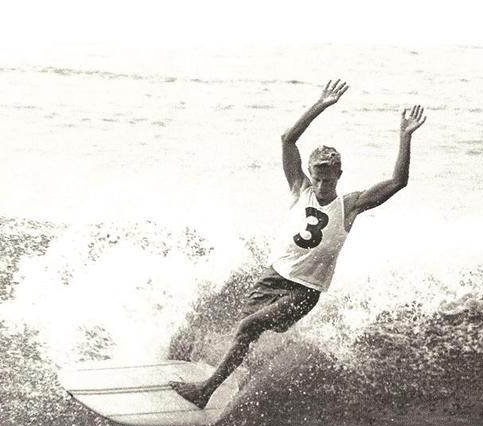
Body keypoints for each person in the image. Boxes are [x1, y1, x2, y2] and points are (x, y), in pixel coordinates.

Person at [171, 79, 426, 408]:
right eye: (317, 177)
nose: (321, 185)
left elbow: (397, 181)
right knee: (246, 330)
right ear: (309, 174)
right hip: (273, 276)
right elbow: (287, 139)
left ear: (339, 175)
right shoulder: (299, 189)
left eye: (328, 179)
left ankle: (204, 392)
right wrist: (321, 104)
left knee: (250, 326)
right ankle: (234, 372)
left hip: (303, 290)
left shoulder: (350, 206)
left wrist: (405, 136)